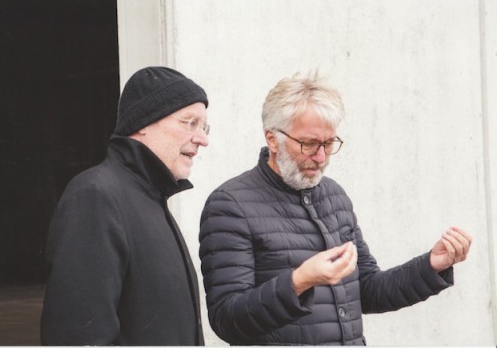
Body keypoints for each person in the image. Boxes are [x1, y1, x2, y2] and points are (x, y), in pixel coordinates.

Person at [199, 70, 472, 345]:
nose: (321, 157)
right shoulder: (230, 205)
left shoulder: (334, 196)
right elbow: (227, 320)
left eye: (329, 143)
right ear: (272, 139)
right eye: (309, 144)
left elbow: (366, 290)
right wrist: (299, 281)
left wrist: (430, 266)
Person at [41, 66, 210, 345]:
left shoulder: (152, 198)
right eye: (189, 122)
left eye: (204, 127)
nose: (202, 139)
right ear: (143, 123)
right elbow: (79, 334)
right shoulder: (96, 195)